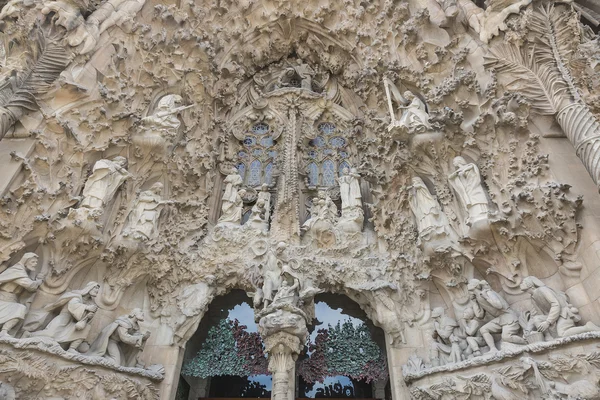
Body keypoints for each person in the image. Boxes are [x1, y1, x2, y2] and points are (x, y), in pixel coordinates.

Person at [29, 282, 99, 351]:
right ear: (89, 288)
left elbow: (82, 319)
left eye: (98, 290)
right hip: (64, 318)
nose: (97, 290)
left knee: (86, 328)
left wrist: (88, 316)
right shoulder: (76, 295)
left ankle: (72, 349)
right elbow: (73, 305)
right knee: (50, 335)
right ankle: (29, 335)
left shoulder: (90, 303)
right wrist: (87, 308)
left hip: (71, 322)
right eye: (95, 288)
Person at [520, 276, 600, 338]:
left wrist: (547, 322)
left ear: (529, 284)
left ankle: (587, 327)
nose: (520, 284)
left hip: (563, 313)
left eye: (523, 282)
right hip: (553, 317)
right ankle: (549, 337)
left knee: (562, 334)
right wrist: (528, 329)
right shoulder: (533, 297)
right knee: (537, 319)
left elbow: (555, 304)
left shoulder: (542, 290)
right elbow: (534, 315)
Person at [468, 279, 526, 352]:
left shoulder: (487, 292)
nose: (468, 284)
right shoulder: (478, 298)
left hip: (508, 317)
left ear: (475, 285)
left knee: (506, 337)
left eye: (470, 283)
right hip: (500, 319)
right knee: (483, 329)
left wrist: (486, 297)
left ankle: (525, 343)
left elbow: (499, 305)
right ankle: (493, 349)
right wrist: (474, 302)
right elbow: (479, 315)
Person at [0, 253, 43, 336]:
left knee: (20, 310)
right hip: (3, 299)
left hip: (12, 300)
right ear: (25, 261)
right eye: (33, 262)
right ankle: (4, 331)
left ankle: (4, 332)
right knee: (20, 309)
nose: (35, 264)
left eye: (36, 262)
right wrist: (39, 280)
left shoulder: (23, 272)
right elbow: (30, 286)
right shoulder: (17, 271)